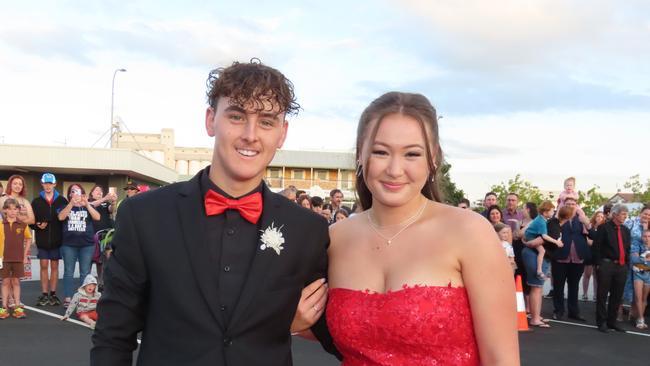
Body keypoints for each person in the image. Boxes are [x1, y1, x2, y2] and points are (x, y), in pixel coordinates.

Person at [91, 60, 334, 365]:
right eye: (236, 116)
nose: (250, 134)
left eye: (267, 122)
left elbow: (341, 334)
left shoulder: (307, 230)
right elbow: (113, 336)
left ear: (282, 133)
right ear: (211, 120)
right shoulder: (144, 215)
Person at [297, 92, 519, 364]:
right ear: (360, 154)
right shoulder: (334, 239)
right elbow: (317, 324)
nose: (394, 169)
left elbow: (501, 359)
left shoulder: (470, 232)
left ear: (433, 158)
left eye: (412, 154)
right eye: (380, 152)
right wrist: (294, 322)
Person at [58, 184, 100, 308]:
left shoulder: (88, 206)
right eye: (73, 191)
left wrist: (86, 204)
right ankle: (68, 297)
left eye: (78, 191)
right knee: (68, 272)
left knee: (85, 273)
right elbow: (61, 217)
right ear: (70, 194)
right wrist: (71, 204)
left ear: (83, 194)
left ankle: (83, 298)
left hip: (86, 244)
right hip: (69, 244)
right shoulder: (64, 206)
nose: (76, 194)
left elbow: (97, 217)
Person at [31, 173, 69, 306]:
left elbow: (66, 220)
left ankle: (53, 294)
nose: (47, 186)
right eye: (45, 183)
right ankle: (44, 294)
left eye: (50, 183)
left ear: (54, 184)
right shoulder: (36, 201)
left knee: (54, 266)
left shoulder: (62, 200)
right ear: (42, 184)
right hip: (42, 240)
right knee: (43, 266)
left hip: (57, 240)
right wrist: (37, 225)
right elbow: (31, 220)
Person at [592, 204, 631, 333]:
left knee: (617, 295)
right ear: (615, 214)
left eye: (626, 214)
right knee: (602, 295)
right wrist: (598, 264)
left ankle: (612, 322)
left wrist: (626, 264)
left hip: (621, 266)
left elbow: (627, 248)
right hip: (606, 265)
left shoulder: (625, 230)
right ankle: (601, 322)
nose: (625, 216)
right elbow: (596, 247)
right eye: (623, 214)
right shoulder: (604, 228)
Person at [551, 197, 591, 321]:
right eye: (568, 204)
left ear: (577, 205)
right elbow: (552, 233)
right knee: (558, 286)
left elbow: (592, 234)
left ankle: (574, 312)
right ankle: (558, 311)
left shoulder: (581, 219)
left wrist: (586, 221)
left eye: (573, 204)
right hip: (560, 257)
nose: (571, 206)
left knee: (574, 286)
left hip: (577, 258)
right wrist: (558, 217)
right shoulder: (557, 219)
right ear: (563, 205)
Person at [0, 198, 32, 319]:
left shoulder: (23, 225)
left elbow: (29, 239)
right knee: (5, 282)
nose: (12, 211)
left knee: (16, 282)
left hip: (18, 258)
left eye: (15, 209)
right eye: (9, 209)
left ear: (18, 210)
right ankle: (4, 307)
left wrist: (24, 255)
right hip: (4, 258)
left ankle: (17, 307)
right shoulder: (1, 225)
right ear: (5, 210)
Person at [623, 205, 650, 320]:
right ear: (640, 213)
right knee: (625, 285)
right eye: (645, 213)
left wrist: (645, 228)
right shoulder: (631, 222)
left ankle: (634, 314)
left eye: (649, 215)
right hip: (628, 258)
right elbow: (622, 235)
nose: (647, 216)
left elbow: (647, 244)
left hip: (643, 261)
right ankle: (620, 312)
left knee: (639, 288)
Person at [524, 201, 563, 281]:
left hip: (531, 235)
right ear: (545, 212)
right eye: (552, 211)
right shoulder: (541, 222)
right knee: (542, 251)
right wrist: (556, 242)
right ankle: (539, 271)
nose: (554, 212)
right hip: (531, 237)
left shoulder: (542, 219)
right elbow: (544, 236)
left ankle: (544, 270)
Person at [89, 185, 117, 289]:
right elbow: (91, 205)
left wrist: (113, 202)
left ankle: (101, 282)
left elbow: (112, 210)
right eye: (97, 190)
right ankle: (87, 282)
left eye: (101, 190)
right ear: (91, 193)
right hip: (92, 235)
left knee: (102, 260)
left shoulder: (106, 203)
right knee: (91, 259)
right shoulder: (88, 202)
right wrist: (104, 198)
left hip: (105, 235)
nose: (99, 192)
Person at [583, 211, 606, 301]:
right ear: (595, 217)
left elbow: (602, 243)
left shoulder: (604, 229)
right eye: (598, 216)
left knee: (597, 275)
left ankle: (596, 294)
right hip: (589, 253)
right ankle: (585, 294)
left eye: (601, 216)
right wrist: (593, 242)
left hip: (598, 255)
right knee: (587, 274)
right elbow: (586, 240)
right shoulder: (589, 227)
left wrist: (594, 242)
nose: (600, 218)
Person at [631, 229, 650, 329]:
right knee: (638, 297)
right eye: (645, 236)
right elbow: (634, 260)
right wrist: (646, 258)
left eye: (648, 236)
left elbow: (638, 260)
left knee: (644, 298)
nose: (646, 238)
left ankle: (639, 318)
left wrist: (641, 259)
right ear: (642, 237)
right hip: (638, 274)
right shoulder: (637, 246)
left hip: (648, 275)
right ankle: (641, 320)